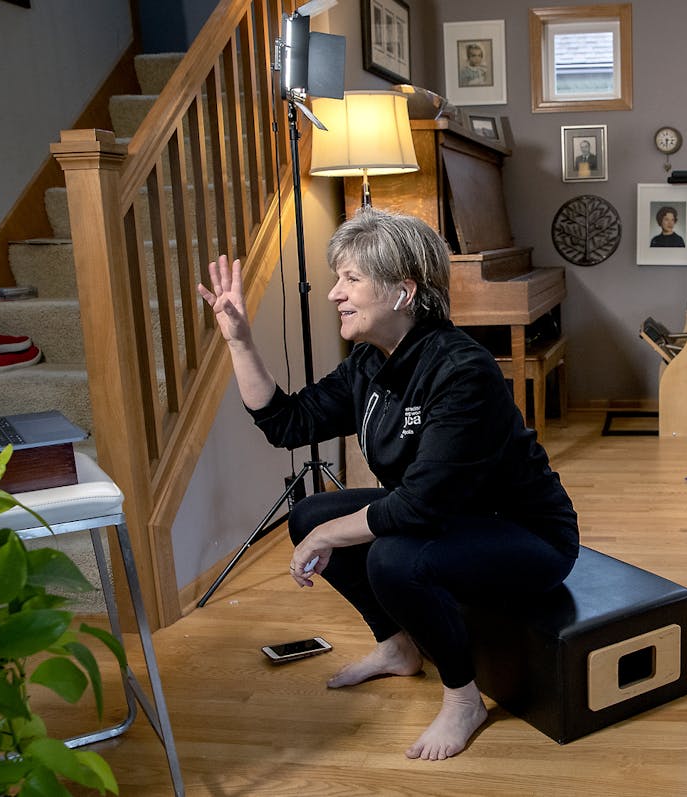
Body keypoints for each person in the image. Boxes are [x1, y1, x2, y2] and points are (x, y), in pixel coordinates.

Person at [196, 209, 579, 761]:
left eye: (351, 279)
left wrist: (329, 538)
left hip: (526, 535)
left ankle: (463, 698)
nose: (334, 294)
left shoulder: (461, 370)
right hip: (448, 517)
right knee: (309, 514)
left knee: (391, 557)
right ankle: (398, 647)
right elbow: (288, 424)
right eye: (338, 279)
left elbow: (419, 506)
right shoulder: (370, 363)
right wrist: (238, 339)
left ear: (403, 291)